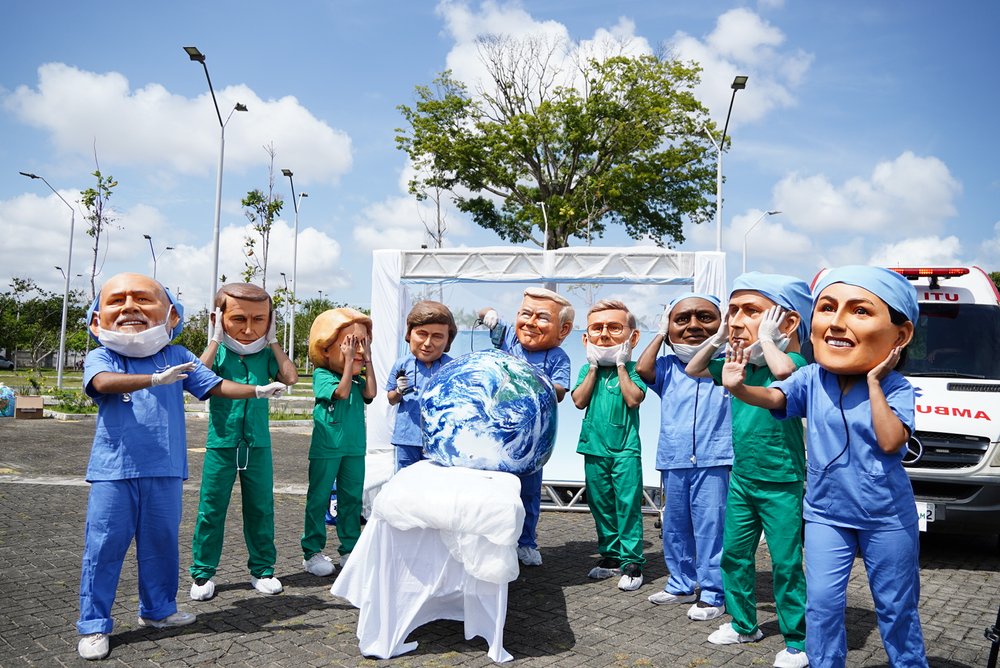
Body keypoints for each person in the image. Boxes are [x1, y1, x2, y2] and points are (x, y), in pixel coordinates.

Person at [721, 266, 928, 667]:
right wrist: (739, 387)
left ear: (900, 336)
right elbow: (777, 397)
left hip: (885, 516)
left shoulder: (897, 388)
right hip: (825, 515)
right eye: (827, 308)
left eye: (859, 311)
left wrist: (873, 382)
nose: (836, 322)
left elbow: (890, 440)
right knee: (823, 606)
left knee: (896, 609)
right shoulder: (812, 378)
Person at [76, 273, 286, 661]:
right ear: (95, 320)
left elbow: (214, 385)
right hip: (114, 470)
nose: (129, 307)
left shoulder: (178, 355)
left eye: (142, 299)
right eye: (117, 300)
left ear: (172, 315)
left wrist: (256, 390)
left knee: (160, 546)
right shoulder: (102, 356)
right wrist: (153, 379)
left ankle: (157, 611)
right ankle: (93, 625)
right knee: (103, 547)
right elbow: (102, 383)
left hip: (166, 468)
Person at [686, 272, 811, 668]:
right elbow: (693, 368)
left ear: (786, 322)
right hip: (743, 478)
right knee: (735, 556)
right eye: (732, 310)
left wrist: (772, 340)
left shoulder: (793, 361)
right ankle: (744, 624)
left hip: (783, 482)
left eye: (750, 311)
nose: (736, 319)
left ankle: (797, 640)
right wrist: (719, 337)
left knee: (786, 563)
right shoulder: (735, 361)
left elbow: (787, 376)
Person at [189, 283, 299, 602]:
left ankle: (263, 570)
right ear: (219, 317)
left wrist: (275, 340)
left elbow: (290, 377)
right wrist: (214, 338)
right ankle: (203, 573)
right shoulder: (220, 351)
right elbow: (198, 375)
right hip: (221, 442)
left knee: (261, 508)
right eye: (239, 319)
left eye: (260, 320)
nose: (249, 329)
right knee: (211, 508)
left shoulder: (265, 353)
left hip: (257, 444)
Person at [635, 292, 732, 620]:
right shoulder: (667, 367)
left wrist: (721, 342)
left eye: (705, 318)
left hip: (714, 459)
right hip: (675, 459)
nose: (693, 325)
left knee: (711, 528)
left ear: (722, 324)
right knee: (675, 527)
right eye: (682, 319)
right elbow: (642, 368)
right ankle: (680, 582)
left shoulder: (730, 364)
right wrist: (660, 333)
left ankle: (714, 592)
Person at [479, 287, 574, 567]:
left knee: (529, 493)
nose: (530, 323)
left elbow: (559, 391)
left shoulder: (558, 357)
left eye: (542, 317)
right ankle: (493, 540)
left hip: (533, 439)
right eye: (525, 314)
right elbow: (481, 312)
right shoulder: (508, 338)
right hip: (496, 433)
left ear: (563, 329)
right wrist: (490, 316)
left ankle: (526, 542)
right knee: (493, 490)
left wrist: (529, 380)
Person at [571, 299, 647, 591]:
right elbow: (579, 401)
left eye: (614, 328)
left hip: (625, 450)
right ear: (586, 336)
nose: (604, 334)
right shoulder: (586, 370)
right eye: (597, 328)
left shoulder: (634, 368)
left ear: (633, 336)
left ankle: (632, 561)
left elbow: (633, 398)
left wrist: (620, 365)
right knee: (600, 503)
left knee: (627, 505)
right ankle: (611, 556)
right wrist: (593, 367)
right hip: (594, 448)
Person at [301, 308, 376, 577]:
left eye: (362, 342)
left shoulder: (358, 379)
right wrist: (347, 363)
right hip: (327, 447)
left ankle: (350, 548)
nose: (356, 349)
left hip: (354, 448)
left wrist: (368, 360)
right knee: (319, 498)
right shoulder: (325, 377)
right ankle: (312, 551)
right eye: (350, 343)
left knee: (351, 500)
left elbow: (372, 393)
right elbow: (341, 393)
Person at [385, 301, 457, 470]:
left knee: (435, 483)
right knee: (404, 480)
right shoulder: (401, 365)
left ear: (448, 341)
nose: (427, 343)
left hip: (439, 439)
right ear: (409, 334)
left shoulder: (452, 367)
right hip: (406, 436)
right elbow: (391, 399)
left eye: (437, 336)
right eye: (422, 334)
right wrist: (398, 391)